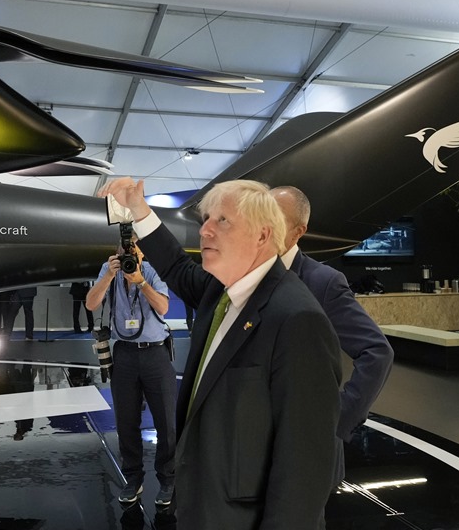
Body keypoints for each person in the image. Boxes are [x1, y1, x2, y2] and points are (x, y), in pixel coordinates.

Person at [100, 177, 341, 529]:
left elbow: (305, 466)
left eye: (222, 220)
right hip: (203, 506)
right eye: (206, 219)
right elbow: (176, 266)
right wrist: (139, 208)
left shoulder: (297, 318)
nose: (205, 231)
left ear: (262, 235)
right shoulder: (221, 290)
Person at [272, 186, 394, 483]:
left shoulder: (322, 282)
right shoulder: (247, 277)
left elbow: (377, 352)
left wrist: (339, 418)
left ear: (298, 231)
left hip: (308, 450)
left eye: (274, 218)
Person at [85, 235, 176, 508]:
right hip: (124, 354)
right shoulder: (108, 271)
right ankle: (133, 478)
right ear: (115, 253)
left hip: (155, 353)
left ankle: (168, 480)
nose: (128, 256)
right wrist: (108, 278)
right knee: (125, 422)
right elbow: (91, 304)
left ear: (141, 253)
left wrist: (141, 282)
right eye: (123, 250)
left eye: (133, 250)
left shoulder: (152, 271)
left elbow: (164, 307)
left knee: (166, 423)